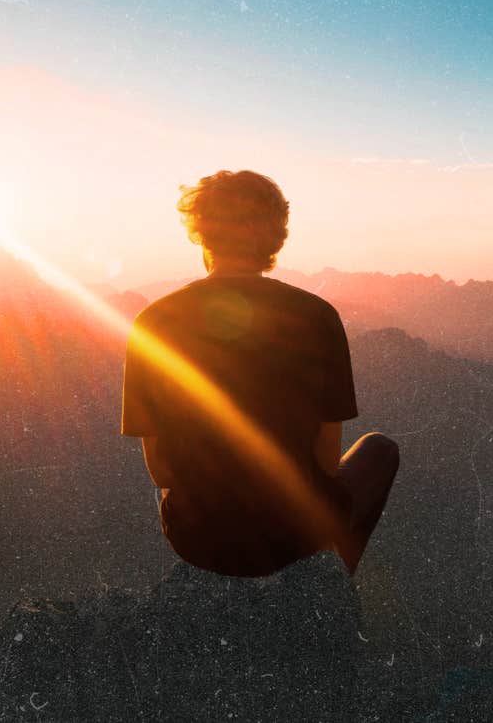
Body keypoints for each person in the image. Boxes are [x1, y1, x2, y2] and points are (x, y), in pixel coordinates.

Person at [121, 170, 399, 577]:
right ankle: (337, 571)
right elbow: (324, 462)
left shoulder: (153, 321)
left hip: (197, 541)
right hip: (295, 538)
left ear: (201, 231)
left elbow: (161, 470)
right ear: (275, 235)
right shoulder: (318, 317)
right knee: (379, 450)